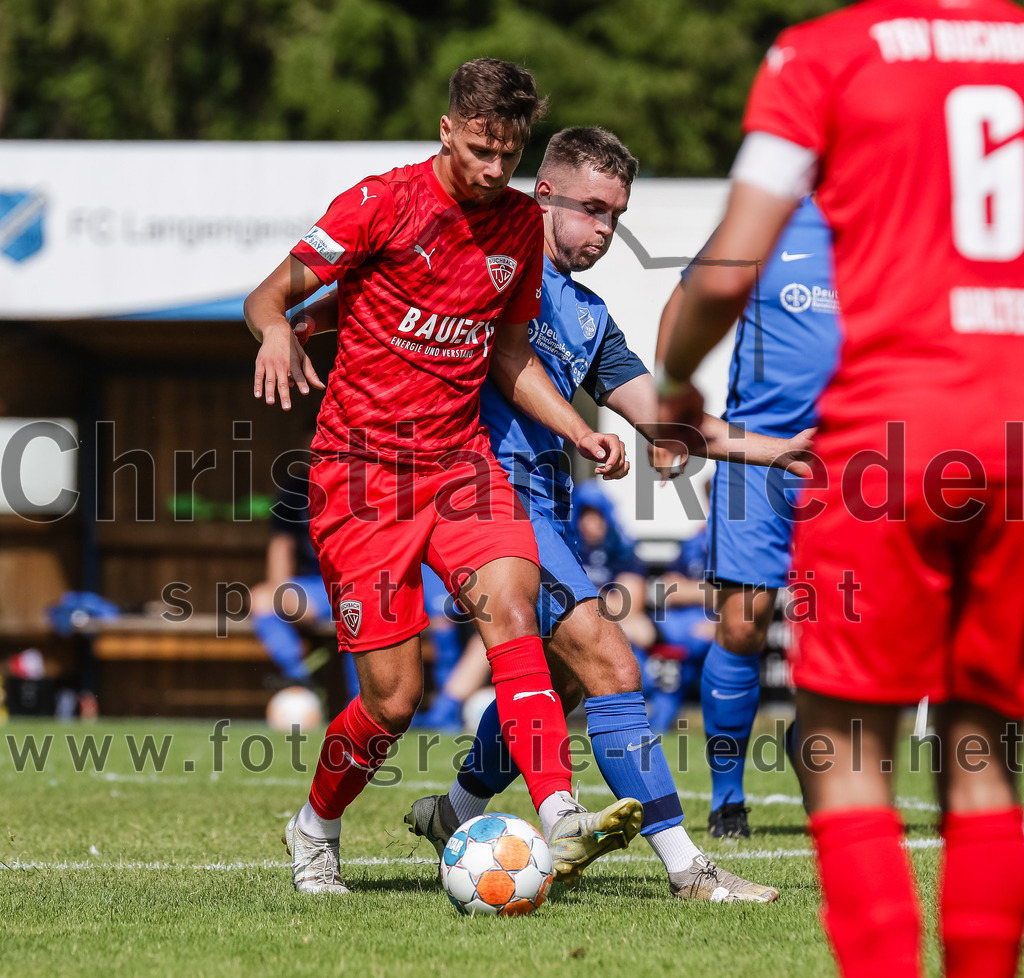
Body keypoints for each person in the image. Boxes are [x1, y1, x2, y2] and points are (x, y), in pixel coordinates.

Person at [657, 3, 1024, 975]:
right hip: (999, 437)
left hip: (872, 457)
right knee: (975, 732)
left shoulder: (825, 56)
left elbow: (716, 273)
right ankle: (728, 797)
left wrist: (669, 386)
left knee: (846, 737)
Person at [244, 58, 643, 896]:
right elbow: (267, 296)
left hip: (461, 466)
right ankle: (315, 825)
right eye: (482, 152)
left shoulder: (519, 232)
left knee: (511, 608)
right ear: (448, 131)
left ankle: (561, 812)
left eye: (511, 155)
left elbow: (506, 351)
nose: (497, 172)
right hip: (360, 479)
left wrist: (579, 429)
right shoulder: (379, 204)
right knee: (393, 701)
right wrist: (275, 331)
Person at [389, 126, 807, 901]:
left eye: (617, 215)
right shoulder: (485, 262)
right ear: (542, 194)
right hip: (487, 499)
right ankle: (691, 869)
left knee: (563, 680)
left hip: (547, 504)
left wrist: (787, 451)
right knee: (613, 662)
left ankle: (457, 810)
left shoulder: (587, 315)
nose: (606, 230)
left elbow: (668, 423)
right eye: (592, 210)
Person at [656, 196, 839, 838]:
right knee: (742, 623)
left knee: (841, 629)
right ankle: (728, 795)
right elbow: (686, 300)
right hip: (755, 453)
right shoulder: (774, 214)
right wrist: (667, 404)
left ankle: (814, 750)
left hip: (856, 459)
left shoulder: (892, 219)